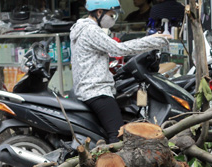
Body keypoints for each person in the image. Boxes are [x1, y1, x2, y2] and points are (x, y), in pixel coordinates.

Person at [70, 0, 171, 143]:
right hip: (96, 91)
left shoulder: (81, 28)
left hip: (86, 88)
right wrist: (155, 40)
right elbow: (118, 49)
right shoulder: (90, 30)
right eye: (112, 15)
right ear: (99, 12)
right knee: (117, 136)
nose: (113, 19)